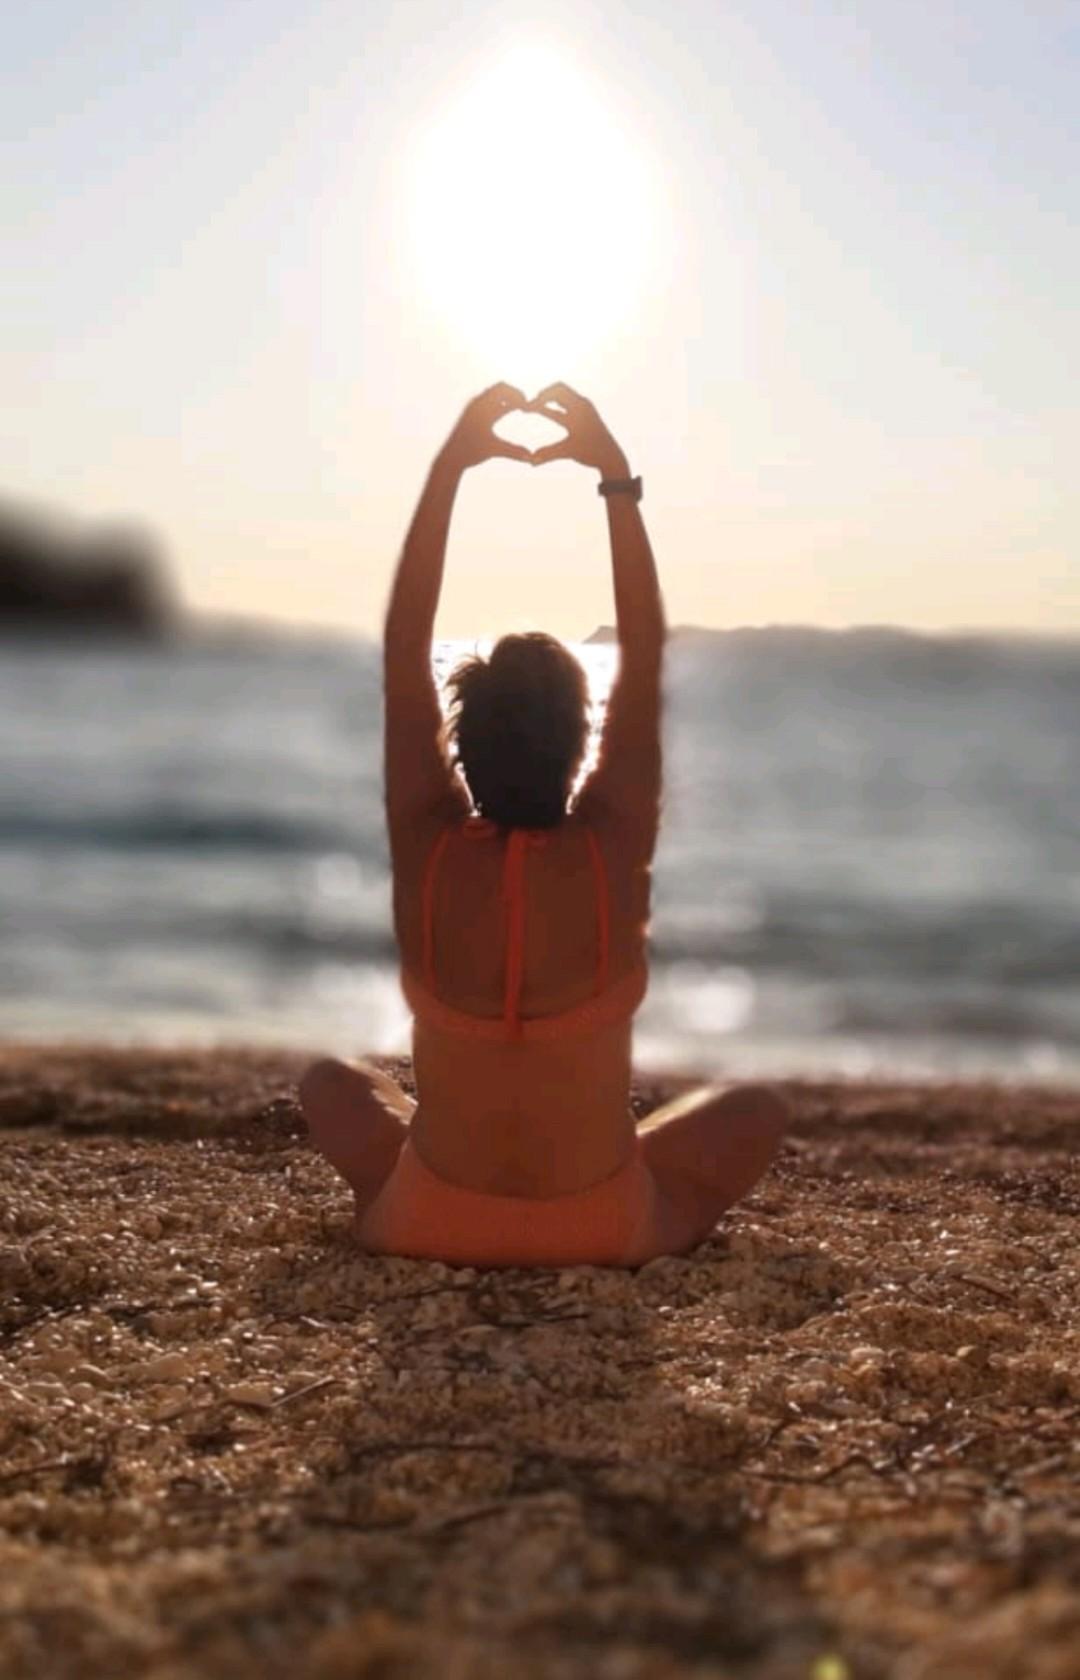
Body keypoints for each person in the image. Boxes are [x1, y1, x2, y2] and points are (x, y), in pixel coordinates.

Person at [300, 382, 789, 1266]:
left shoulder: (426, 843)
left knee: (328, 1080)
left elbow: (402, 646)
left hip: (426, 1222)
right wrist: (615, 482)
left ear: (461, 745)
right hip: (601, 1227)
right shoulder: (615, 842)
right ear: (582, 744)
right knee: (757, 1107)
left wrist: (450, 467)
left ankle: (432, 1183)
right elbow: (646, 656)